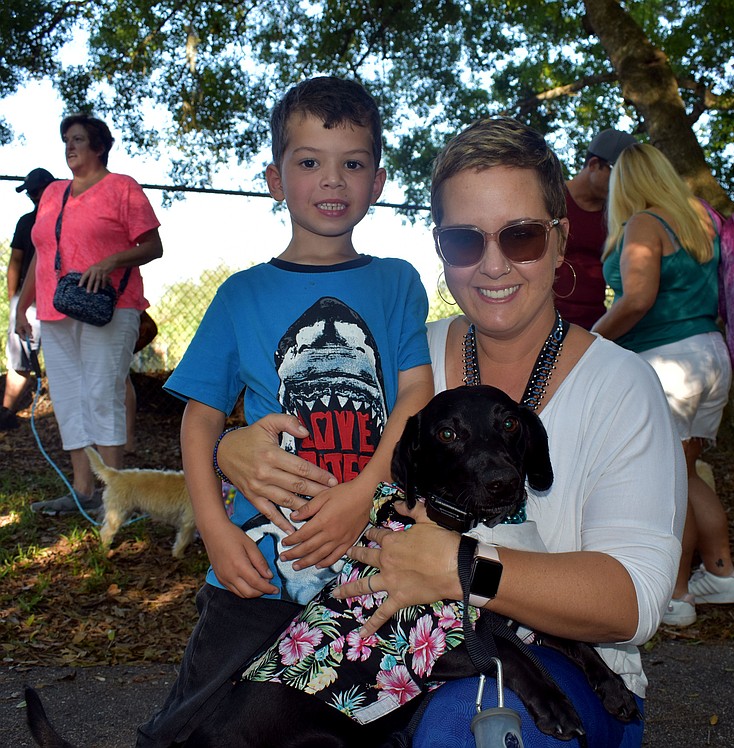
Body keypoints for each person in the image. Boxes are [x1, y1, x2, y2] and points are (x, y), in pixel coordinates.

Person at [217, 118, 687, 747]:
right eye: (466, 241)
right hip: (377, 659)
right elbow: (310, 440)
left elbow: (634, 603)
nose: (493, 265)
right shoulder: (402, 356)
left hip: (558, 673)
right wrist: (236, 446)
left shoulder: (622, 386)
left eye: (520, 236)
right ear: (440, 248)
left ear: (559, 237)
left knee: (468, 726)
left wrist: (463, 566)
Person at [136, 76, 433, 747]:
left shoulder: (397, 281)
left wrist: (364, 492)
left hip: (368, 564)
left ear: (379, 181)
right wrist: (214, 529)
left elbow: (415, 395)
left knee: (365, 727)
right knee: (190, 729)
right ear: (275, 179)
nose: (332, 180)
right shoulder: (240, 296)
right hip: (255, 570)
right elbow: (201, 421)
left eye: (352, 163)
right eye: (309, 162)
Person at [592, 142, 734, 628]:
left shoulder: (643, 223)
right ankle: (721, 573)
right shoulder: (701, 221)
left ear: (628, 182)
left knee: (667, 481)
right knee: (686, 471)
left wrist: (589, 342)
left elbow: (636, 300)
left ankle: (675, 596)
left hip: (668, 362)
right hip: (711, 353)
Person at [15, 114, 163, 515]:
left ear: (99, 146)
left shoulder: (123, 188)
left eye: (78, 139)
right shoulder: (53, 194)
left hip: (109, 308)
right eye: (65, 140)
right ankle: (82, 490)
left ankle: (114, 493)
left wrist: (111, 260)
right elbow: (42, 255)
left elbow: (153, 246)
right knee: (68, 400)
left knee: (102, 394)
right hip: (54, 309)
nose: (69, 147)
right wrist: (22, 306)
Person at [553, 128, 636, 330]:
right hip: (546, 322)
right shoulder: (551, 199)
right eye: (618, 174)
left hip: (595, 326)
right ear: (593, 165)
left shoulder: (619, 215)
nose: (623, 185)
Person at [1, 168, 55, 431]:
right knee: (19, 361)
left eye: (37, 190)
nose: (34, 196)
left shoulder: (66, 218)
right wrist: (15, 302)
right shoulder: (26, 222)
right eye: (30, 193)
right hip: (29, 303)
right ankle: (6, 413)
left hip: (60, 302)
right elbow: (16, 261)